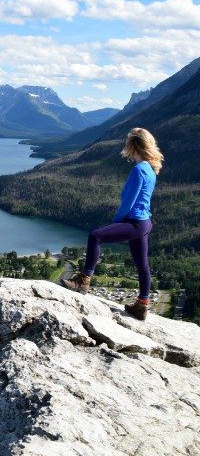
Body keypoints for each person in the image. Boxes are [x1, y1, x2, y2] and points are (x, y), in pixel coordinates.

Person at [60, 127, 163, 321]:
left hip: (134, 222)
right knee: (142, 265)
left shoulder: (139, 170)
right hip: (145, 223)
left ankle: (83, 281)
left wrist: (116, 222)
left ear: (133, 146)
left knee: (95, 236)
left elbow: (128, 202)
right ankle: (142, 306)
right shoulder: (151, 169)